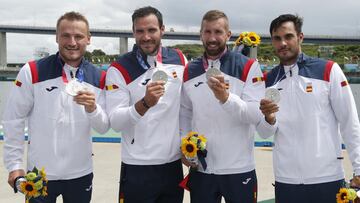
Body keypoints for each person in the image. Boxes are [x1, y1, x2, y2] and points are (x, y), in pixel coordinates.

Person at [2, 11, 109, 203]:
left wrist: (93, 108)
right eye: (66, 35)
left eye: (78, 36)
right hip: (39, 175)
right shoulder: (32, 71)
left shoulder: (99, 77)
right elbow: (14, 119)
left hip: (80, 173)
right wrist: (14, 165)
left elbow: (103, 127)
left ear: (89, 39)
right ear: (57, 37)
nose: (72, 42)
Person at [259, 14, 360, 203]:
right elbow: (264, 133)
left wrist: (359, 168)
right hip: (286, 179)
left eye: (288, 36)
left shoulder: (329, 70)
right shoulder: (269, 80)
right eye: (277, 38)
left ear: (300, 37)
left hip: (327, 177)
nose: (283, 43)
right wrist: (269, 119)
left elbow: (349, 122)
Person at [180, 10, 277, 203]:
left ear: (228, 35)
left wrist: (226, 98)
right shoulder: (190, 69)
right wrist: (183, 144)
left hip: (239, 169)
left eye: (218, 32)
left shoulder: (248, 66)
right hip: (202, 168)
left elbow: (254, 114)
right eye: (207, 32)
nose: (212, 37)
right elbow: (185, 111)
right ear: (201, 34)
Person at [105, 6, 187, 203]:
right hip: (137, 167)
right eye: (140, 31)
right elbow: (116, 121)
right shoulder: (119, 69)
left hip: (172, 165)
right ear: (133, 32)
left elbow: (185, 108)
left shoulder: (178, 58)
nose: (146, 37)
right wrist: (145, 103)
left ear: (162, 30)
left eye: (151, 30)